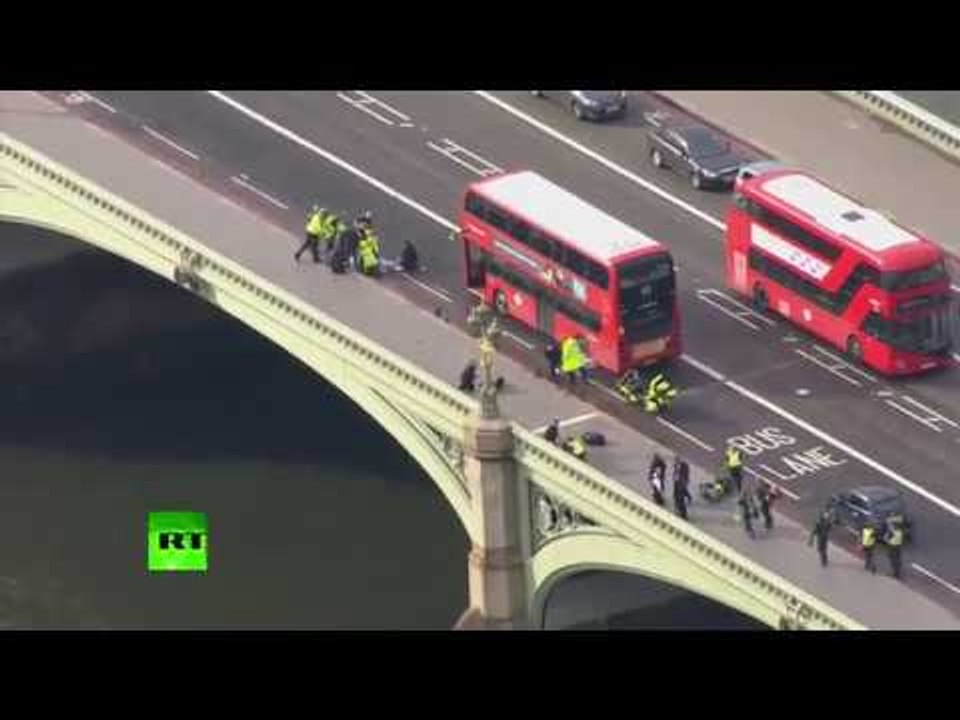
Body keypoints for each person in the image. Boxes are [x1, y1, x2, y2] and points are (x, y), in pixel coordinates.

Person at [672, 456, 692, 520]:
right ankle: (677, 505)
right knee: (677, 494)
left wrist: (685, 481)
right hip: (676, 481)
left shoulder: (685, 466)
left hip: (682, 482)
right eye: (676, 461)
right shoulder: (675, 465)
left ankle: (683, 513)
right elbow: (675, 472)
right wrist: (674, 477)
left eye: (678, 461)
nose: (677, 462)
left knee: (682, 493)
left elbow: (686, 474)